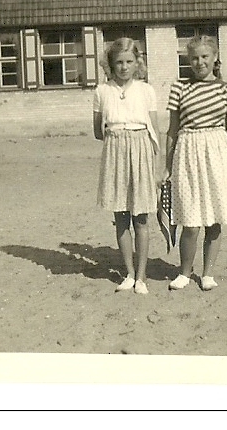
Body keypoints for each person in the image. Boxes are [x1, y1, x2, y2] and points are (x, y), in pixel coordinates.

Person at [164, 35, 227, 291]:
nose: (200, 63)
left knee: (215, 218)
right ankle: (185, 272)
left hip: (216, 155)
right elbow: (172, 130)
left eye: (205, 57)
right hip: (186, 153)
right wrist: (167, 165)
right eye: (194, 58)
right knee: (190, 219)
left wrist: (211, 143)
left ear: (215, 57)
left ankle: (207, 273)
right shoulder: (179, 87)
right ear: (188, 60)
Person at [93, 37, 160, 295]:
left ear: (137, 63)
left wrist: (153, 162)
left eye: (129, 61)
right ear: (110, 64)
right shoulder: (101, 91)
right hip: (114, 149)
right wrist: (118, 142)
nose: (123, 67)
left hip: (141, 147)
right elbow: (98, 131)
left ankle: (142, 276)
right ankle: (129, 273)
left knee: (140, 217)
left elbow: (154, 127)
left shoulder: (146, 90)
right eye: (118, 62)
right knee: (121, 216)